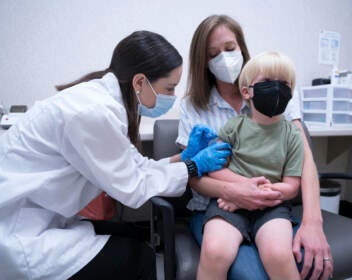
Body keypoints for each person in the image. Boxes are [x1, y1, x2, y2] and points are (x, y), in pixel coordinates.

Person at [0, 30, 232, 280]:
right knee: (140, 260)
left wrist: (185, 157)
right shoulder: (94, 112)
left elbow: (136, 166)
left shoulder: (104, 102)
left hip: (43, 216)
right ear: (140, 82)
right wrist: (193, 167)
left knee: (137, 236)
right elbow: (132, 188)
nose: (172, 97)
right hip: (21, 235)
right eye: (169, 88)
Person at [177, 15, 333, 279]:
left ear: (242, 47)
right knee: (233, 263)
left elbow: (304, 162)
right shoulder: (195, 108)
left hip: (273, 205)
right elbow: (194, 172)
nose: (223, 58)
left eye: (229, 49)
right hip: (220, 205)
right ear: (202, 61)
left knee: (281, 258)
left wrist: (313, 221)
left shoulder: (279, 94)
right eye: (213, 54)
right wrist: (238, 191)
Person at [198, 51, 303, 280]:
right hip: (229, 201)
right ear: (246, 92)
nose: (276, 88)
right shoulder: (232, 128)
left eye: (284, 83)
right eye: (266, 82)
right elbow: (215, 169)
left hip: (273, 206)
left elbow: (291, 187)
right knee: (215, 251)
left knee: (278, 255)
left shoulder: (293, 135)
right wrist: (243, 190)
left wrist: (259, 195)